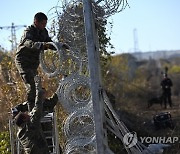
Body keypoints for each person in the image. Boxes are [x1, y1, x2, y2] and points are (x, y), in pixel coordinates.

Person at [14, 77, 50, 154]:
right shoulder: (31, 125)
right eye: (26, 115)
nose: (28, 114)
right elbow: (38, 106)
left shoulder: (20, 134)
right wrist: (38, 88)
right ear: (24, 119)